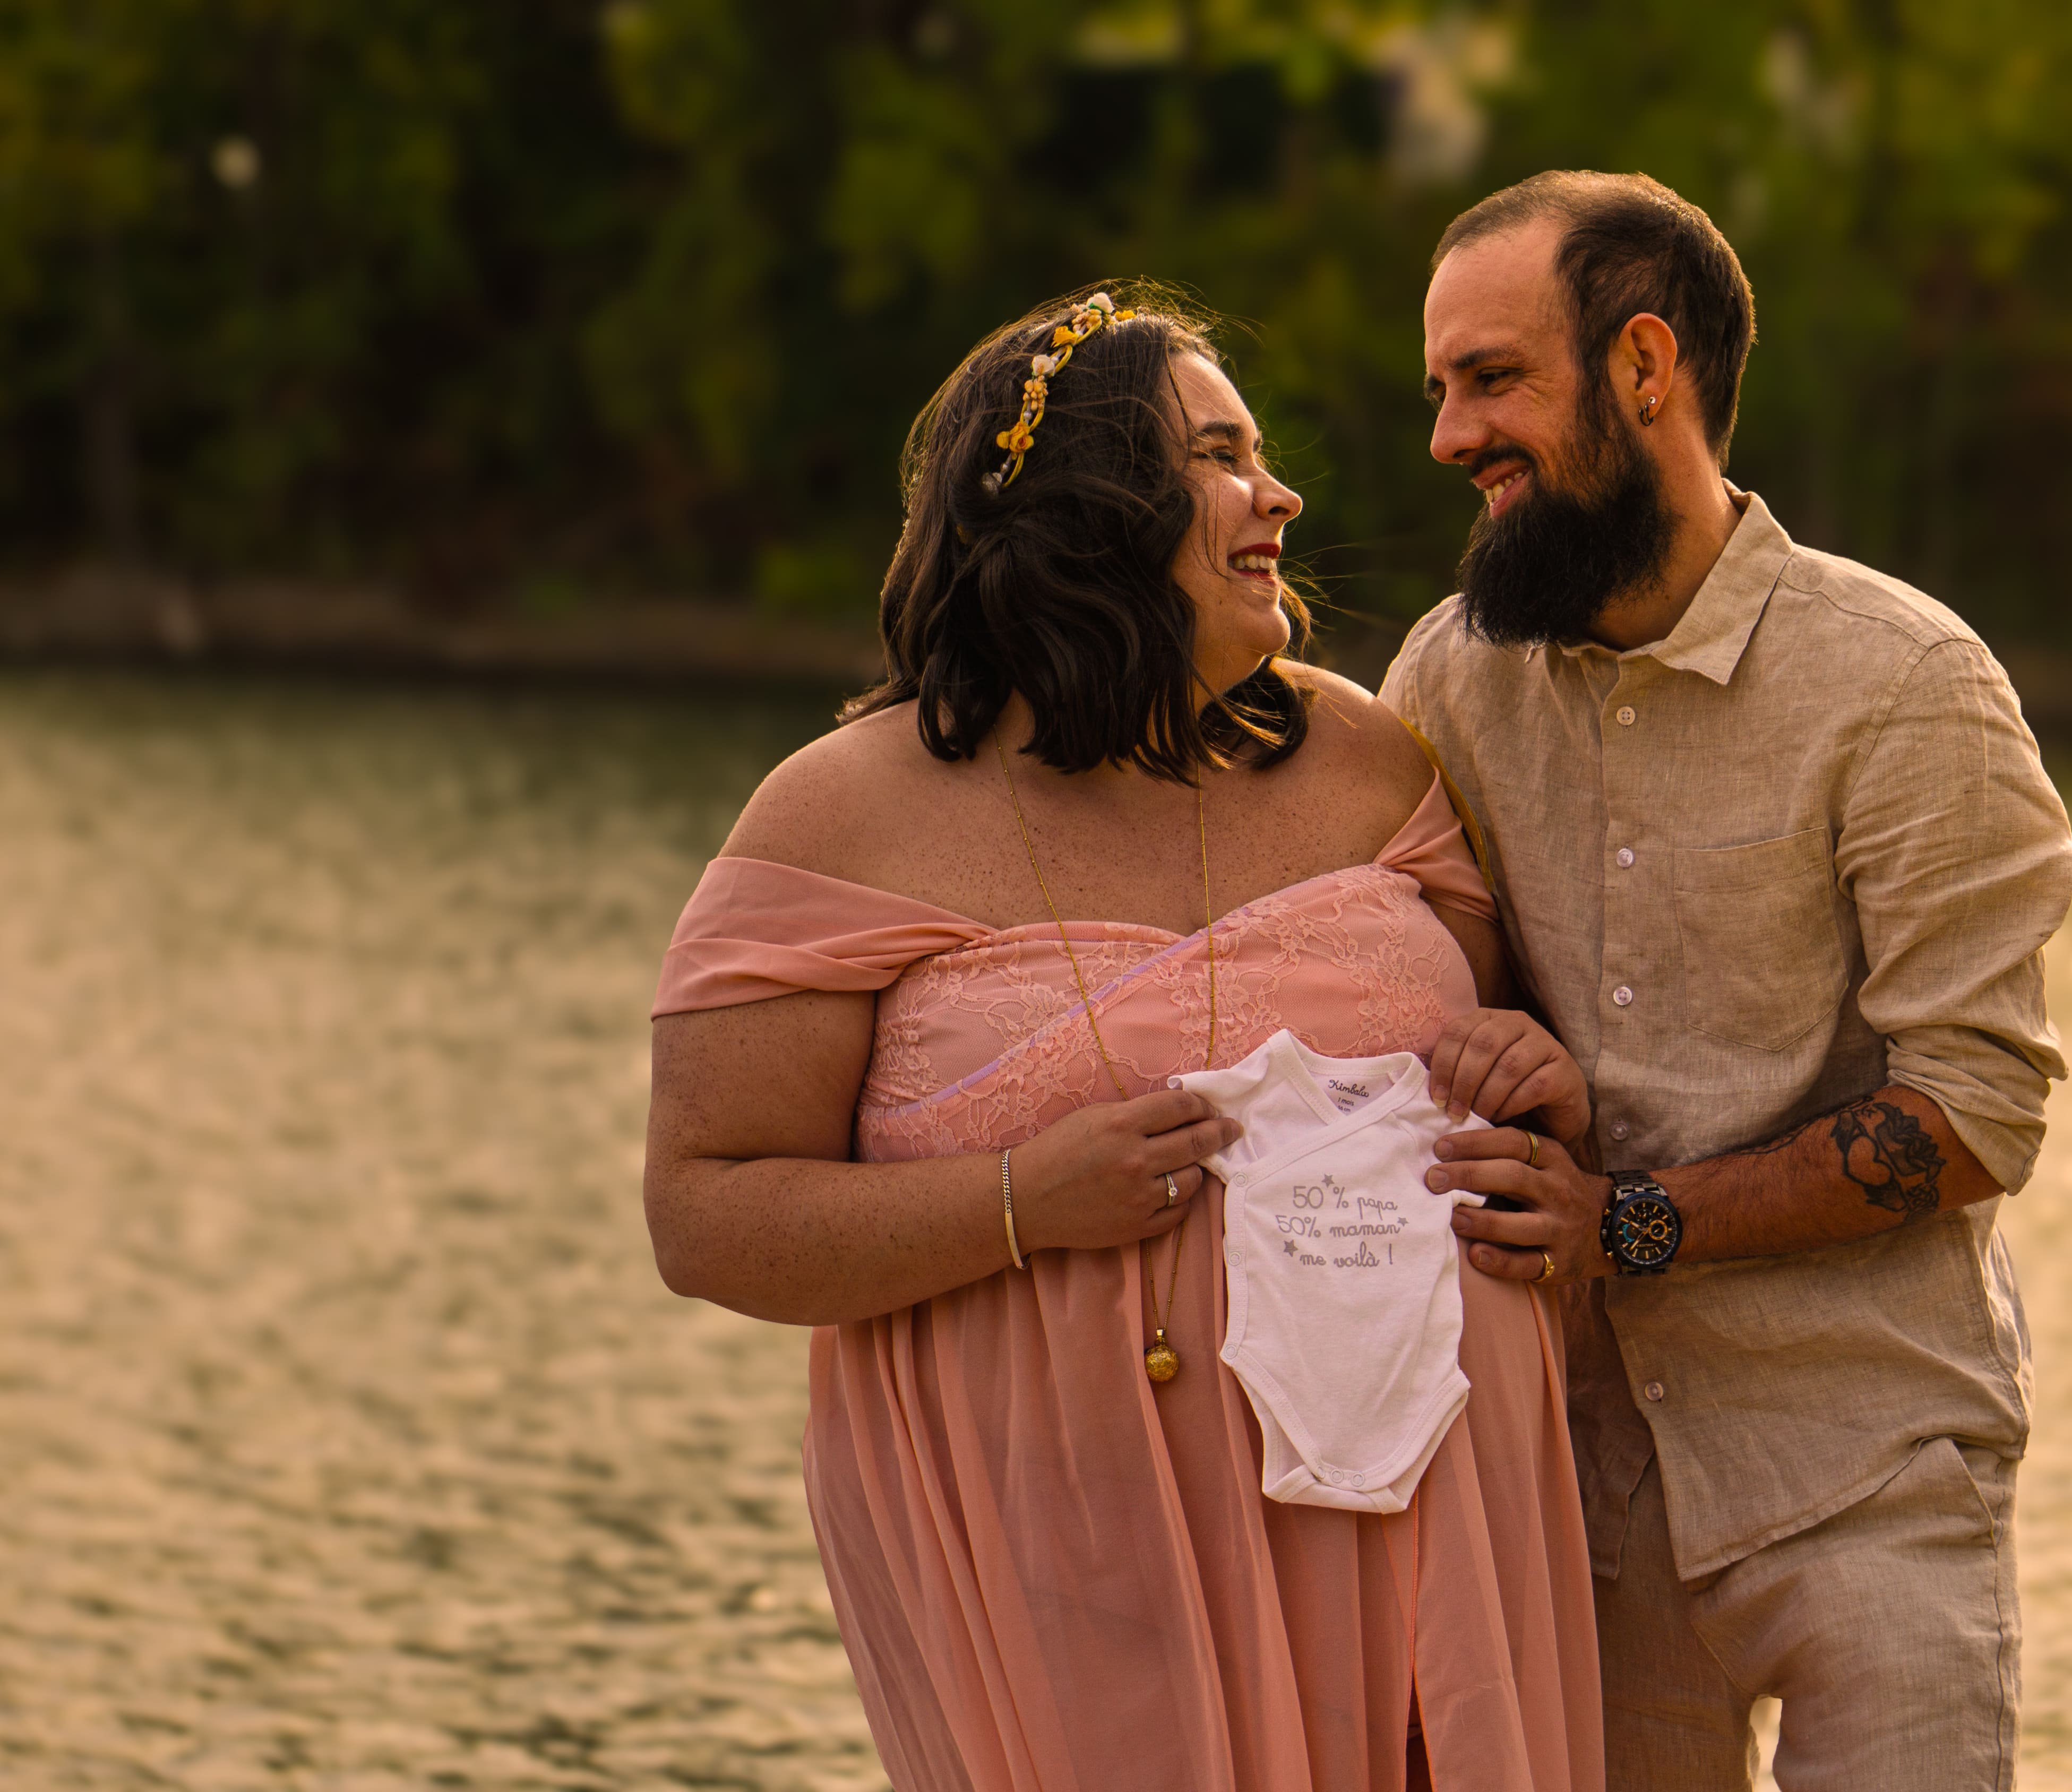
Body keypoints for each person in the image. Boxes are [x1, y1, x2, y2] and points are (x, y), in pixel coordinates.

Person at [643, 288, 1603, 1792]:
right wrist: (1022, 1205)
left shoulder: (1370, 759)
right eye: (1221, 458)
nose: (1278, 493)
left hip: (1426, 1515)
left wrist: (1536, 1097)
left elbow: (1497, 1071)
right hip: (1068, 1544)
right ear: (1092, 516)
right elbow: (705, 1218)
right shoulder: (841, 812)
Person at [1388, 175, 2072, 1790]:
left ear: (1645, 371)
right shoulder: (1440, 679)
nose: (1449, 437)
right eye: (1439, 389)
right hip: (1576, 1495)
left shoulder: (1908, 687)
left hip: (1875, 1475)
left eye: (1492, 380)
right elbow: (1408, 994)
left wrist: (1627, 1222)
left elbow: (1976, 1114)